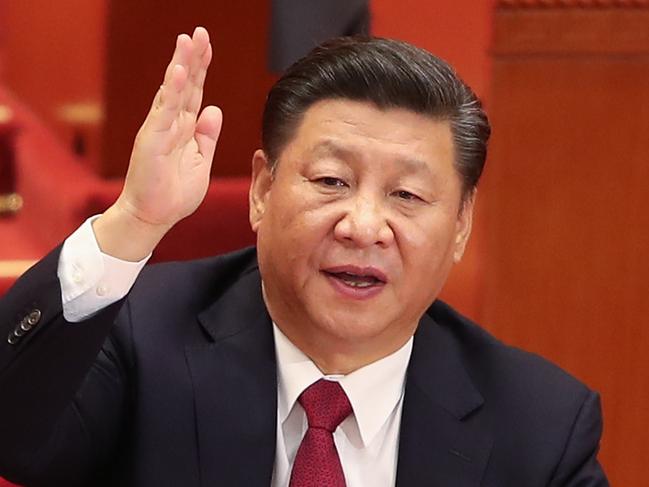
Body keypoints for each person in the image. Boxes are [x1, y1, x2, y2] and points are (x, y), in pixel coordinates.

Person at [0, 27, 608, 486]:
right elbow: (14, 434)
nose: (364, 226)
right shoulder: (143, 337)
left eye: (408, 195)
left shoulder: (541, 427)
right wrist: (133, 222)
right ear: (262, 190)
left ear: (460, 225)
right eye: (330, 181)